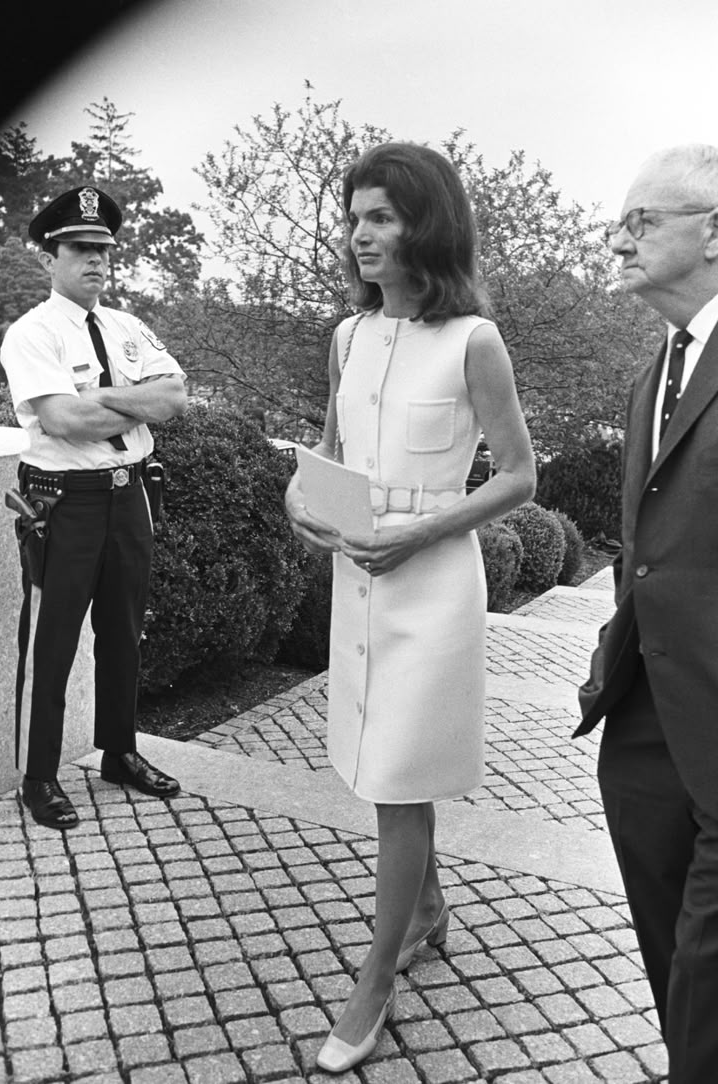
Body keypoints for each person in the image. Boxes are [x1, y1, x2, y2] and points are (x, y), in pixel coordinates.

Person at [285, 143, 535, 1073]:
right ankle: (428, 912)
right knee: (380, 766)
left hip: (431, 590)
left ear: (427, 223)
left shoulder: (475, 340)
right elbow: (327, 450)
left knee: (396, 782)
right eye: (354, 216)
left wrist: (420, 533)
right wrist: (300, 503)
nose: (360, 234)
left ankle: (376, 980)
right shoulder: (348, 338)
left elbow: (519, 475)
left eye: (382, 215)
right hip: (358, 577)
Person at [576, 144, 718, 1083]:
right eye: (618, 221)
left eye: (641, 222)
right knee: (671, 954)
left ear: (712, 231)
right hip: (646, 719)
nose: (618, 239)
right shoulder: (653, 371)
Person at [0, 185, 188, 831]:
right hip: (66, 505)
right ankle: (39, 776)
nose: (96, 261)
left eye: (103, 250)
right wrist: (131, 397)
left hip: (128, 495)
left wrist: (106, 393)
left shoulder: (129, 328)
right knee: (53, 644)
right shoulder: (32, 334)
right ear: (51, 257)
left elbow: (176, 398)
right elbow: (64, 418)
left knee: (123, 634)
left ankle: (120, 754)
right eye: (80, 249)